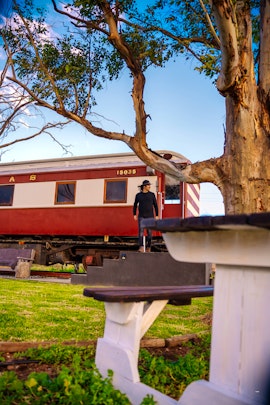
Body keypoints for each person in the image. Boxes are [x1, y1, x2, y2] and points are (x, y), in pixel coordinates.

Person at [133, 179, 159, 252]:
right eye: (148, 185)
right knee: (140, 232)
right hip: (141, 216)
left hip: (150, 216)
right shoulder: (138, 195)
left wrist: (157, 215)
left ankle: (148, 247)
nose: (149, 187)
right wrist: (134, 214)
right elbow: (135, 205)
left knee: (149, 233)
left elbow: (155, 205)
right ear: (144, 186)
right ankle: (141, 247)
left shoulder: (152, 195)